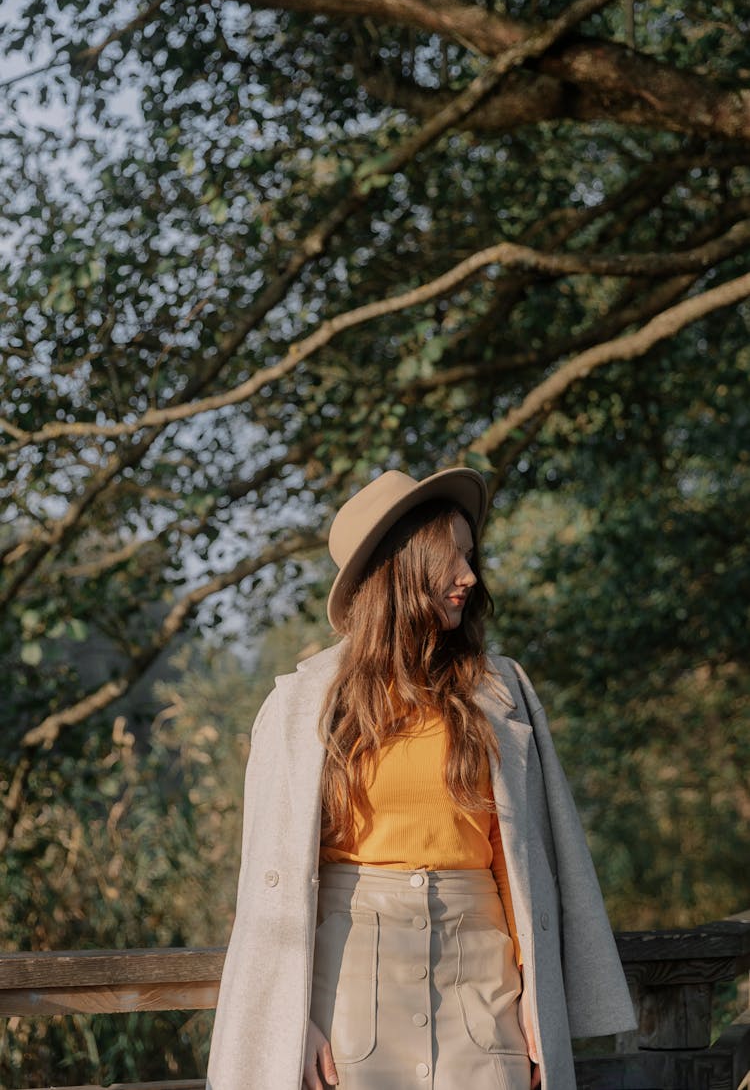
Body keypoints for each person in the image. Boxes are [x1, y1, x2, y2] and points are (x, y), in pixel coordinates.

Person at [206, 467, 636, 1090]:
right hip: (346, 977)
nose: (469, 576)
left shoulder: (500, 692)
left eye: (469, 556)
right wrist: (289, 1017)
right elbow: (267, 883)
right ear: (401, 566)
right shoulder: (302, 706)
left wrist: (540, 1002)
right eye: (451, 557)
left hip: (484, 979)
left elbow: (517, 859)